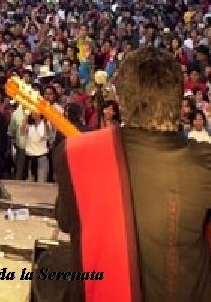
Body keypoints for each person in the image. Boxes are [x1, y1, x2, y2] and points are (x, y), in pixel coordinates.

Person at [49, 46, 211, 301]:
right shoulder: (205, 163)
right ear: (180, 103)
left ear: (121, 100)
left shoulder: (75, 154)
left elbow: (66, 221)